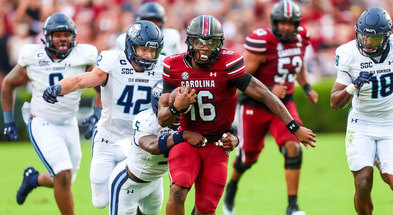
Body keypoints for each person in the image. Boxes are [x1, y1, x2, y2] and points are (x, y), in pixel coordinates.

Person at [157, 15, 317, 215]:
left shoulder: (228, 63)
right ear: (190, 41)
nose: (205, 48)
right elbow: (162, 118)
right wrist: (175, 108)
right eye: (199, 42)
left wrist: (294, 126)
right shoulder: (174, 66)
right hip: (187, 140)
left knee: (205, 210)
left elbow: (264, 95)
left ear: (220, 43)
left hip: (218, 144)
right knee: (177, 192)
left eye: (211, 43)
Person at [42, 20, 165, 209]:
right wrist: (59, 88)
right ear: (131, 47)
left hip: (138, 142)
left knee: (128, 190)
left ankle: (144, 190)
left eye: (153, 51)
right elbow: (81, 80)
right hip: (107, 140)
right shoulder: (113, 61)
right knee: (100, 202)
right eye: (143, 50)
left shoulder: (163, 66)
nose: (148, 56)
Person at [223, 1, 319, 215]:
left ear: (297, 24)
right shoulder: (262, 41)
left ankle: (292, 206)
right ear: (274, 23)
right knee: (247, 158)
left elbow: (299, 62)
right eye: (281, 23)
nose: (285, 27)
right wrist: (268, 89)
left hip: (284, 104)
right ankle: (232, 187)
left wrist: (307, 87)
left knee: (293, 145)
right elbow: (241, 79)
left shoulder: (302, 37)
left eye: (290, 23)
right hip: (254, 105)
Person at [1, 13, 97, 215]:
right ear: (47, 37)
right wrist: (9, 120)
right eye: (57, 34)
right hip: (42, 121)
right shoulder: (33, 57)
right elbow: (8, 83)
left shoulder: (84, 55)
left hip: (68, 122)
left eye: (66, 34)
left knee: (65, 179)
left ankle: (33, 179)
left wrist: (97, 114)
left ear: (74, 36)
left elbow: (101, 85)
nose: (62, 38)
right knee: (62, 173)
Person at [108, 80, 212, 215]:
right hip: (129, 182)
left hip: (155, 183)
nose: (179, 114)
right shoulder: (147, 120)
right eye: (174, 107)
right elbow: (152, 146)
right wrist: (183, 135)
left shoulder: (190, 123)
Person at [330, 7, 393, 215]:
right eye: (363, 37)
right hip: (362, 123)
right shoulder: (348, 53)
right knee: (363, 181)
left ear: (386, 37)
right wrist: (353, 86)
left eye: (373, 40)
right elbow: (335, 102)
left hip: (390, 122)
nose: (366, 43)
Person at [116, 1, 183, 56]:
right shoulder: (124, 39)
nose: (151, 24)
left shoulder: (172, 37)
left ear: (162, 22)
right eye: (147, 20)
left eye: (155, 20)